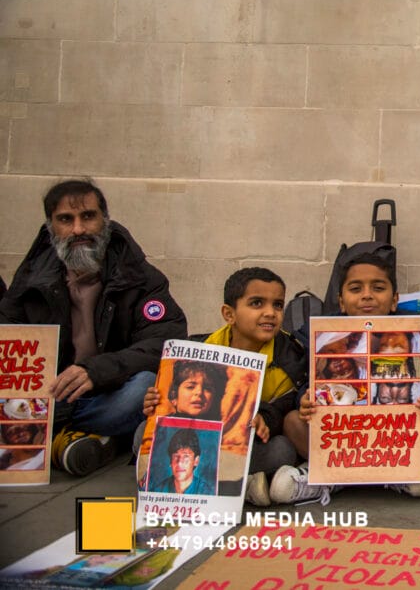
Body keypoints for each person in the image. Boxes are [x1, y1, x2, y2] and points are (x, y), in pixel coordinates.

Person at [0, 179, 188, 476]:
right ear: (51, 227)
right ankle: (84, 438)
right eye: (66, 219)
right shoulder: (32, 279)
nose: (78, 230)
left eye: (88, 216)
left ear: (105, 221)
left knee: (145, 388)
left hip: (106, 393)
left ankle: (54, 435)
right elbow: (8, 334)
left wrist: (94, 371)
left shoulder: (140, 277)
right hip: (46, 396)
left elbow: (165, 339)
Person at [271, 253, 420, 503]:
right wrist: (305, 402)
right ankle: (394, 477)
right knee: (294, 421)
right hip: (339, 435)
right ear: (341, 301)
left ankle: (335, 478)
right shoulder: (324, 337)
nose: (367, 295)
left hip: (393, 436)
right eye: (355, 288)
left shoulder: (417, 335)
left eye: (378, 288)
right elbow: (306, 385)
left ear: (394, 300)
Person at [139, 268, 306, 506]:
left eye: (278, 305)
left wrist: (263, 419)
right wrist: (155, 402)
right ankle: (240, 485)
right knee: (140, 436)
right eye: (257, 303)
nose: (270, 313)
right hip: (193, 438)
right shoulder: (197, 350)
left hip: (242, 444)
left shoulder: (290, 359)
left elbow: (281, 409)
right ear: (229, 314)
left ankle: (229, 483)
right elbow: (171, 405)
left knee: (282, 451)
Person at [150, 428, 213, 495]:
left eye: (186, 456)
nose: (179, 462)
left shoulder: (207, 493)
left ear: (196, 461)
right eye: (176, 456)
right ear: (170, 461)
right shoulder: (157, 491)